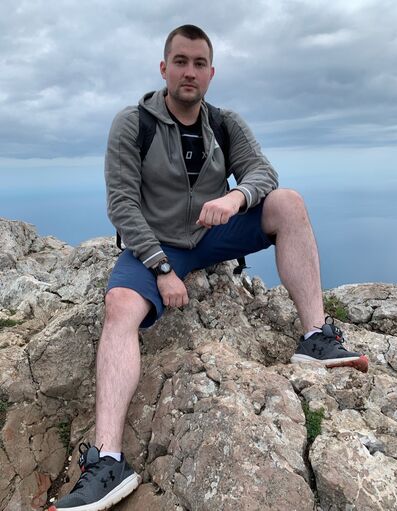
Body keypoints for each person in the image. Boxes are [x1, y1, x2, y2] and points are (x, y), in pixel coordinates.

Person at [50, 24, 368, 511]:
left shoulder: (224, 123)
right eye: (180, 61)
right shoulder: (134, 123)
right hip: (159, 244)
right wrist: (161, 268)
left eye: (199, 63)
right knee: (120, 307)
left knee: (288, 202)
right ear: (164, 68)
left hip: (213, 234)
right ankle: (109, 460)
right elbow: (122, 205)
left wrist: (236, 198)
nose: (189, 72)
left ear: (211, 73)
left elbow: (263, 172)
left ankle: (316, 337)